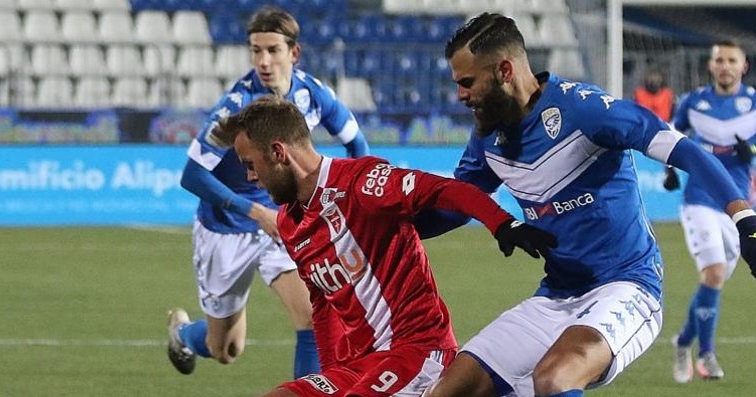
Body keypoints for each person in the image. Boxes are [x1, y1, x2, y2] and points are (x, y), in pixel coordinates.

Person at [422, 13, 756, 397]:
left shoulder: (586, 110)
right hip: (555, 296)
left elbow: (686, 151)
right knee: (447, 390)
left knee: (556, 378)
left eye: (467, 82)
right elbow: (457, 205)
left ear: (505, 70)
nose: (461, 95)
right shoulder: (487, 140)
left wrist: (747, 221)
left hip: (628, 286)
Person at [213, 96, 557, 396]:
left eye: (250, 165)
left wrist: (501, 223)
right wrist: (331, 376)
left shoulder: (362, 183)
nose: (250, 178)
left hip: (417, 351)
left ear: (277, 152)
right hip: (357, 366)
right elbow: (323, 303)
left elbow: (445, 190)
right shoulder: (290, 222)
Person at [166, 6, 371, 378]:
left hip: (284, 221)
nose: (263, 60)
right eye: (256, 51)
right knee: (225, 348)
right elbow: (192, 175)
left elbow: (357, 145)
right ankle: (183, 333)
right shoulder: (234, 109)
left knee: (313, 316)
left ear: (294, 53)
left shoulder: (313, 93)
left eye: (273, 50)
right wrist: (257, 213)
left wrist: (353, 202)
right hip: (227, 228)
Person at [664, 40, 756, 383]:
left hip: (738, 207)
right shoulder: (692, 102)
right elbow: (668, 137)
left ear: (743, 66)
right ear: (711, 65)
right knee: (715, 273)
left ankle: (682, 343)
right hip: (699, 201)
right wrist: (668, 171)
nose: (724, 66)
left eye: (731, 60)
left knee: (714, 282)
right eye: (719, 60)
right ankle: (706, 354)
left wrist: (754, 147)